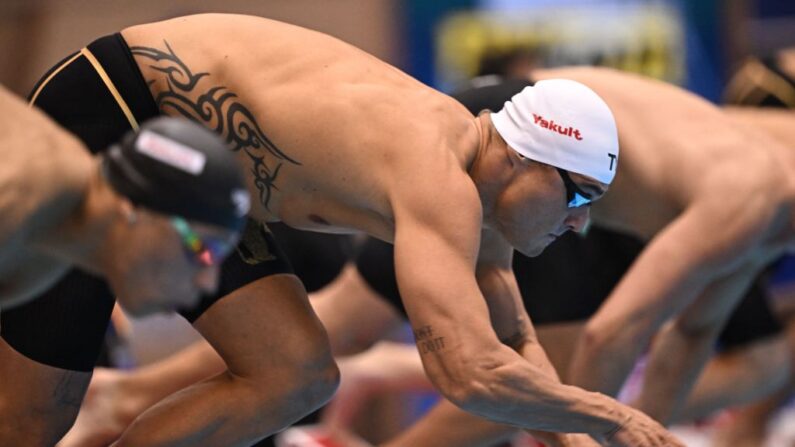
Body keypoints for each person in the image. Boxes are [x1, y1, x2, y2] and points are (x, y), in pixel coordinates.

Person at [0, 13, 678, 447]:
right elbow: (468, 372)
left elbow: (513, 341)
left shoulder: (479, 203)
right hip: (119, 109)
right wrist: (609, 413)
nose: (581, 219)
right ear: (521, 159)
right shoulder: (435, 172)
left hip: (215, 175)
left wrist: (595, 437)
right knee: (30, 423)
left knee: (297, 372)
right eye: (579, 191)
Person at [0, 84, 246, 315]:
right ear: (132, 208)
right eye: (202, 249)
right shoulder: (22, 190)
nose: (208, 283)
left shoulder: (51, 244)